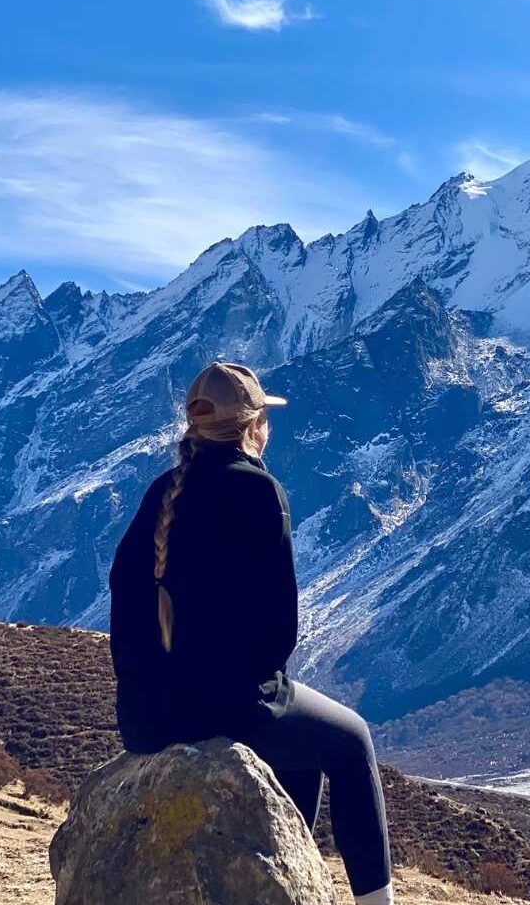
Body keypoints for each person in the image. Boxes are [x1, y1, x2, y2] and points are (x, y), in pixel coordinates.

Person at [108, 361, 393, 905]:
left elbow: (125, 600)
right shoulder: (258, 490)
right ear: (254, 424)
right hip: (223, 708)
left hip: (145, 717)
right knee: (351, 739)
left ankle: (286, 878)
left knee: (303, 748)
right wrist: (260, 687)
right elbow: (278, 627)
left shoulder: (162, 492)